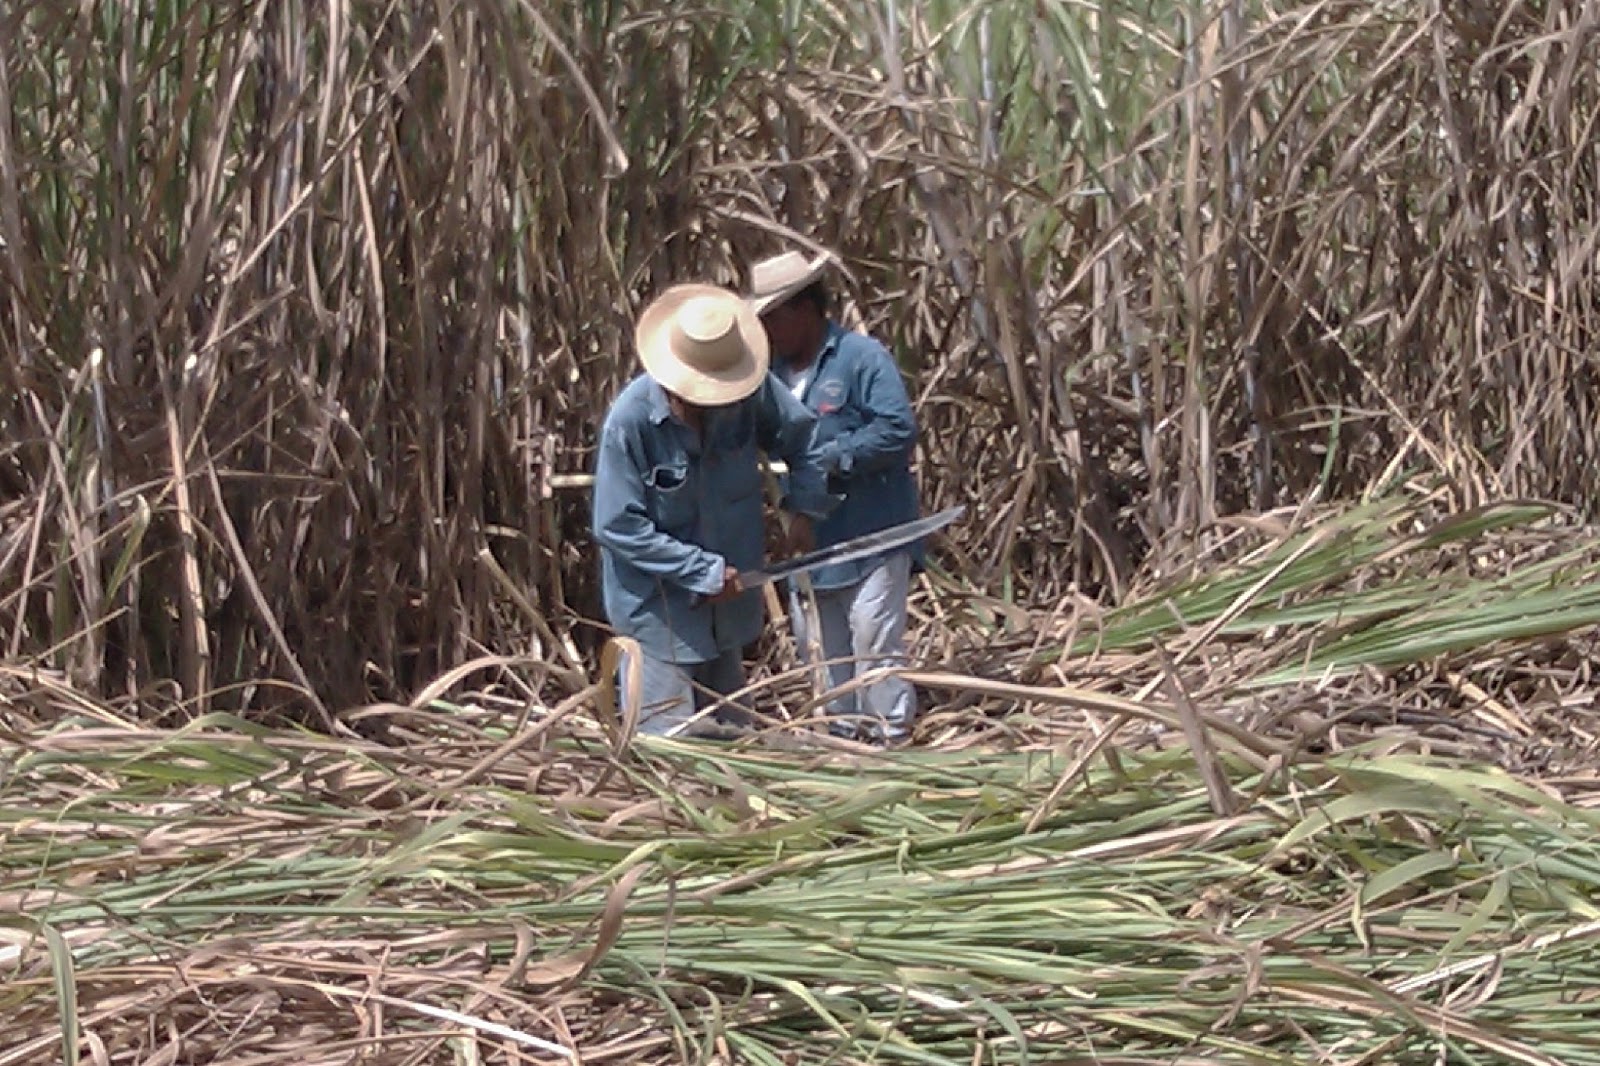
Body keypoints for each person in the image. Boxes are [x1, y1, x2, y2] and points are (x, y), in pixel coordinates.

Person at [591, 282, 836, 738]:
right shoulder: (630, 424)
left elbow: (807, 441)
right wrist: (701, 570)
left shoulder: (750, 393)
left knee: (732, 743)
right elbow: (617, 525)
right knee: (669, 748)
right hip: (659, 615)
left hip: (730, 611)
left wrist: (804, 508)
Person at [747, 250, 922, 745]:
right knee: (821, 650)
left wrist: (833, 457)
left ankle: (890, 739)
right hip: (813, 546)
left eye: (773, 318)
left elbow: (896, 430)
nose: (768, 331)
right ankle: (843, 740)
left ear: (805, 310)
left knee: (872, 638)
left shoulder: (861, 359)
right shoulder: (769, 378)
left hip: (872, 533)